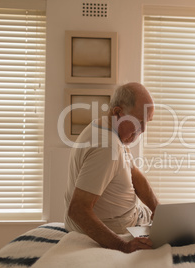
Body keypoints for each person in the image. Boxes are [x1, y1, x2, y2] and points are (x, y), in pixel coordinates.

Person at [64, 82, 159, 253]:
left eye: (147, 122)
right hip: (121, 228)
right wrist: (122, 245)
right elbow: (77, 210)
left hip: (133, 216)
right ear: (117, 112)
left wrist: (157, 209)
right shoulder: (107, 147)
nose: (143, 130)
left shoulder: (107, 128)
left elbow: (134, 174)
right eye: (138, 121)